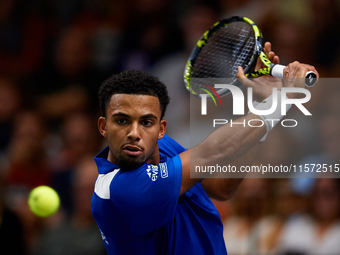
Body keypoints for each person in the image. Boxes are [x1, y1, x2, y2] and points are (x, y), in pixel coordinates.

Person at [91, 42, 318, 254]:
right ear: (103, 126)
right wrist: (281, 100)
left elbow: (222, 187)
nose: (134, 133)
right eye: (122, 120)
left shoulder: (162, 148)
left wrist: (261, 105)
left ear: (161, 129)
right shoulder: (119, 188)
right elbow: (213, 152)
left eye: (146, 122)